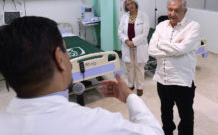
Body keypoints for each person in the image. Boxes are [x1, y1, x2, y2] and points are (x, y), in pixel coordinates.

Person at [0, 16, 164, 135]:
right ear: (59, 58)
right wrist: (130, 96)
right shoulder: (97, 124)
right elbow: (154, 132)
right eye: (66, 51)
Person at [148, 0, 200, 135]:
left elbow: (182, 49)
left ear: (185, 11)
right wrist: (174, 47)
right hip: (162, 79)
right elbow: (151, 49)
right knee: (165, 112)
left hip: (182, 80)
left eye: (177, 10)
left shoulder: (193, 27)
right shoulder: (160, 26)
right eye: (170, 9)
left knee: (186, 116)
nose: (172, 13)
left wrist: (161, 44)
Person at [118, 0, 150, 96]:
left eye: (132, 3)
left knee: (139, 67)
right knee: (129, 66)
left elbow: (145, 33)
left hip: (139, 45)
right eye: (128, 4)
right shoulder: (124, 17)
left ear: (135, 4)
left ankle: (140, 87)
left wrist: (134, 42)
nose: (130, 5)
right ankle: (130, 84)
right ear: (126, 7)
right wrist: (127, 41)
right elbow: (120, 32)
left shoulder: (143, 16)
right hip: (127, 45)